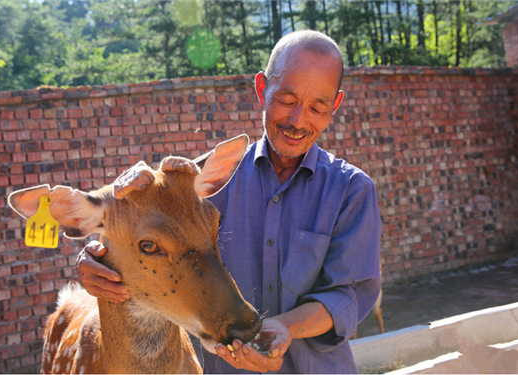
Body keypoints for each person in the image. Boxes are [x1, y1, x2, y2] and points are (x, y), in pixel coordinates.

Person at [76, 30, 382, 374]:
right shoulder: (206, 182)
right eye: (286, 99)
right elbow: (140, 239)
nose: (298, 120)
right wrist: (96, 261)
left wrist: (285, 327)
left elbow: (346, 298)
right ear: (262, 88)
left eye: (317, 107)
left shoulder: (352, 190)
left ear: (335, 106)